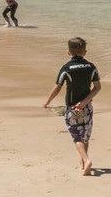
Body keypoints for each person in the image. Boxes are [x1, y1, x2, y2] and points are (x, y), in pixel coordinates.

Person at [41, 36, 101, 176]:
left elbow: (57, 87)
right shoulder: (91, 66)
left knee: (76, 136)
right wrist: (85, 101)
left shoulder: (67, 68)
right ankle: (82, 163)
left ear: (68, 52)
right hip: (87, 107)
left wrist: (47, 102)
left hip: (72, 108)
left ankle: (86, 160)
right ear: (85, 51)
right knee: (85, 135)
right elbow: (97, 87)